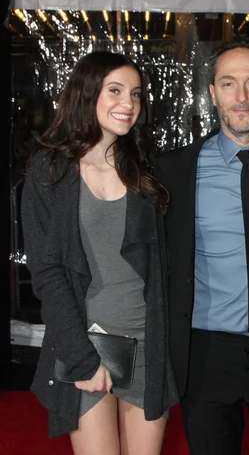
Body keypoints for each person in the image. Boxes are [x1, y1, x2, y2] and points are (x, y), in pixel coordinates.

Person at [20, 51, 178, 454]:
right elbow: (48, 272)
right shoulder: (50, 171)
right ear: (87, 94)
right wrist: (82, 358)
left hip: (148, 346)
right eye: (115, 90)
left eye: (136, 94)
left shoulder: (146, 170)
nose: (129, 103)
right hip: (86, 345)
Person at [157, 39, 249, 455]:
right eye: (228, 84)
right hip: (205, 356)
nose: (241, 98)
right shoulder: (175, 170)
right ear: (212, 92)